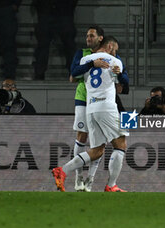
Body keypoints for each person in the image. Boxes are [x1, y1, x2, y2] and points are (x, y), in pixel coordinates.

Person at [52, 36, 129, 192]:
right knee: (120, 144)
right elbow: (125, 84)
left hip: (91, 108)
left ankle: (63, 171)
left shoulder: (85, 60)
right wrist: (120, 74)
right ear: (110, 47)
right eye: (115, 50)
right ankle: (111, 185)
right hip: (107, 107)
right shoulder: (115, 61)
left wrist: (91, 65)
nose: (116, 53)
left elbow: (73, 75)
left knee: (97, 150)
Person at [32, 0, 77, 80]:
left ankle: (74, 73)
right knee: (43, 45)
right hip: (49, 10)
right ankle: (39, 73)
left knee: (69, 45)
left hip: (63, 10)